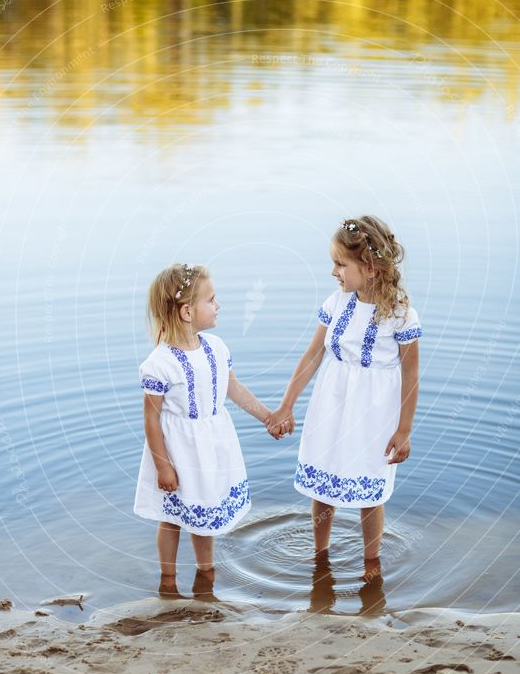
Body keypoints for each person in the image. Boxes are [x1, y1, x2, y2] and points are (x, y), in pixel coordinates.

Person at [266, 216, 422, 580]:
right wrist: (287, 403)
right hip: (330, 405)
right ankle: (320, 552)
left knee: (371, 486)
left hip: (373, 413)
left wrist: (404, 429)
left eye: (341, 264)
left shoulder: (400, 314)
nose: (334, 271)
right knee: (324, 477)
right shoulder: (338, 302)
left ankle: (371, 561)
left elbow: (411, 374)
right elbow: (312, 355)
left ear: (368, 268)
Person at [134, 263, 288, 598]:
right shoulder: (160, 363)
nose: (218, 306)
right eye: (212, 300)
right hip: (177, 450)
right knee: (172, 516)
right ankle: (168, 581)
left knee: (204, 512)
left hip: (212, 446)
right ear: (188, 311)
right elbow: (151, 419)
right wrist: (163, 464)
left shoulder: (216, 347)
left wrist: (267, 416)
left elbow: (233, 388)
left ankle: (206, 574)